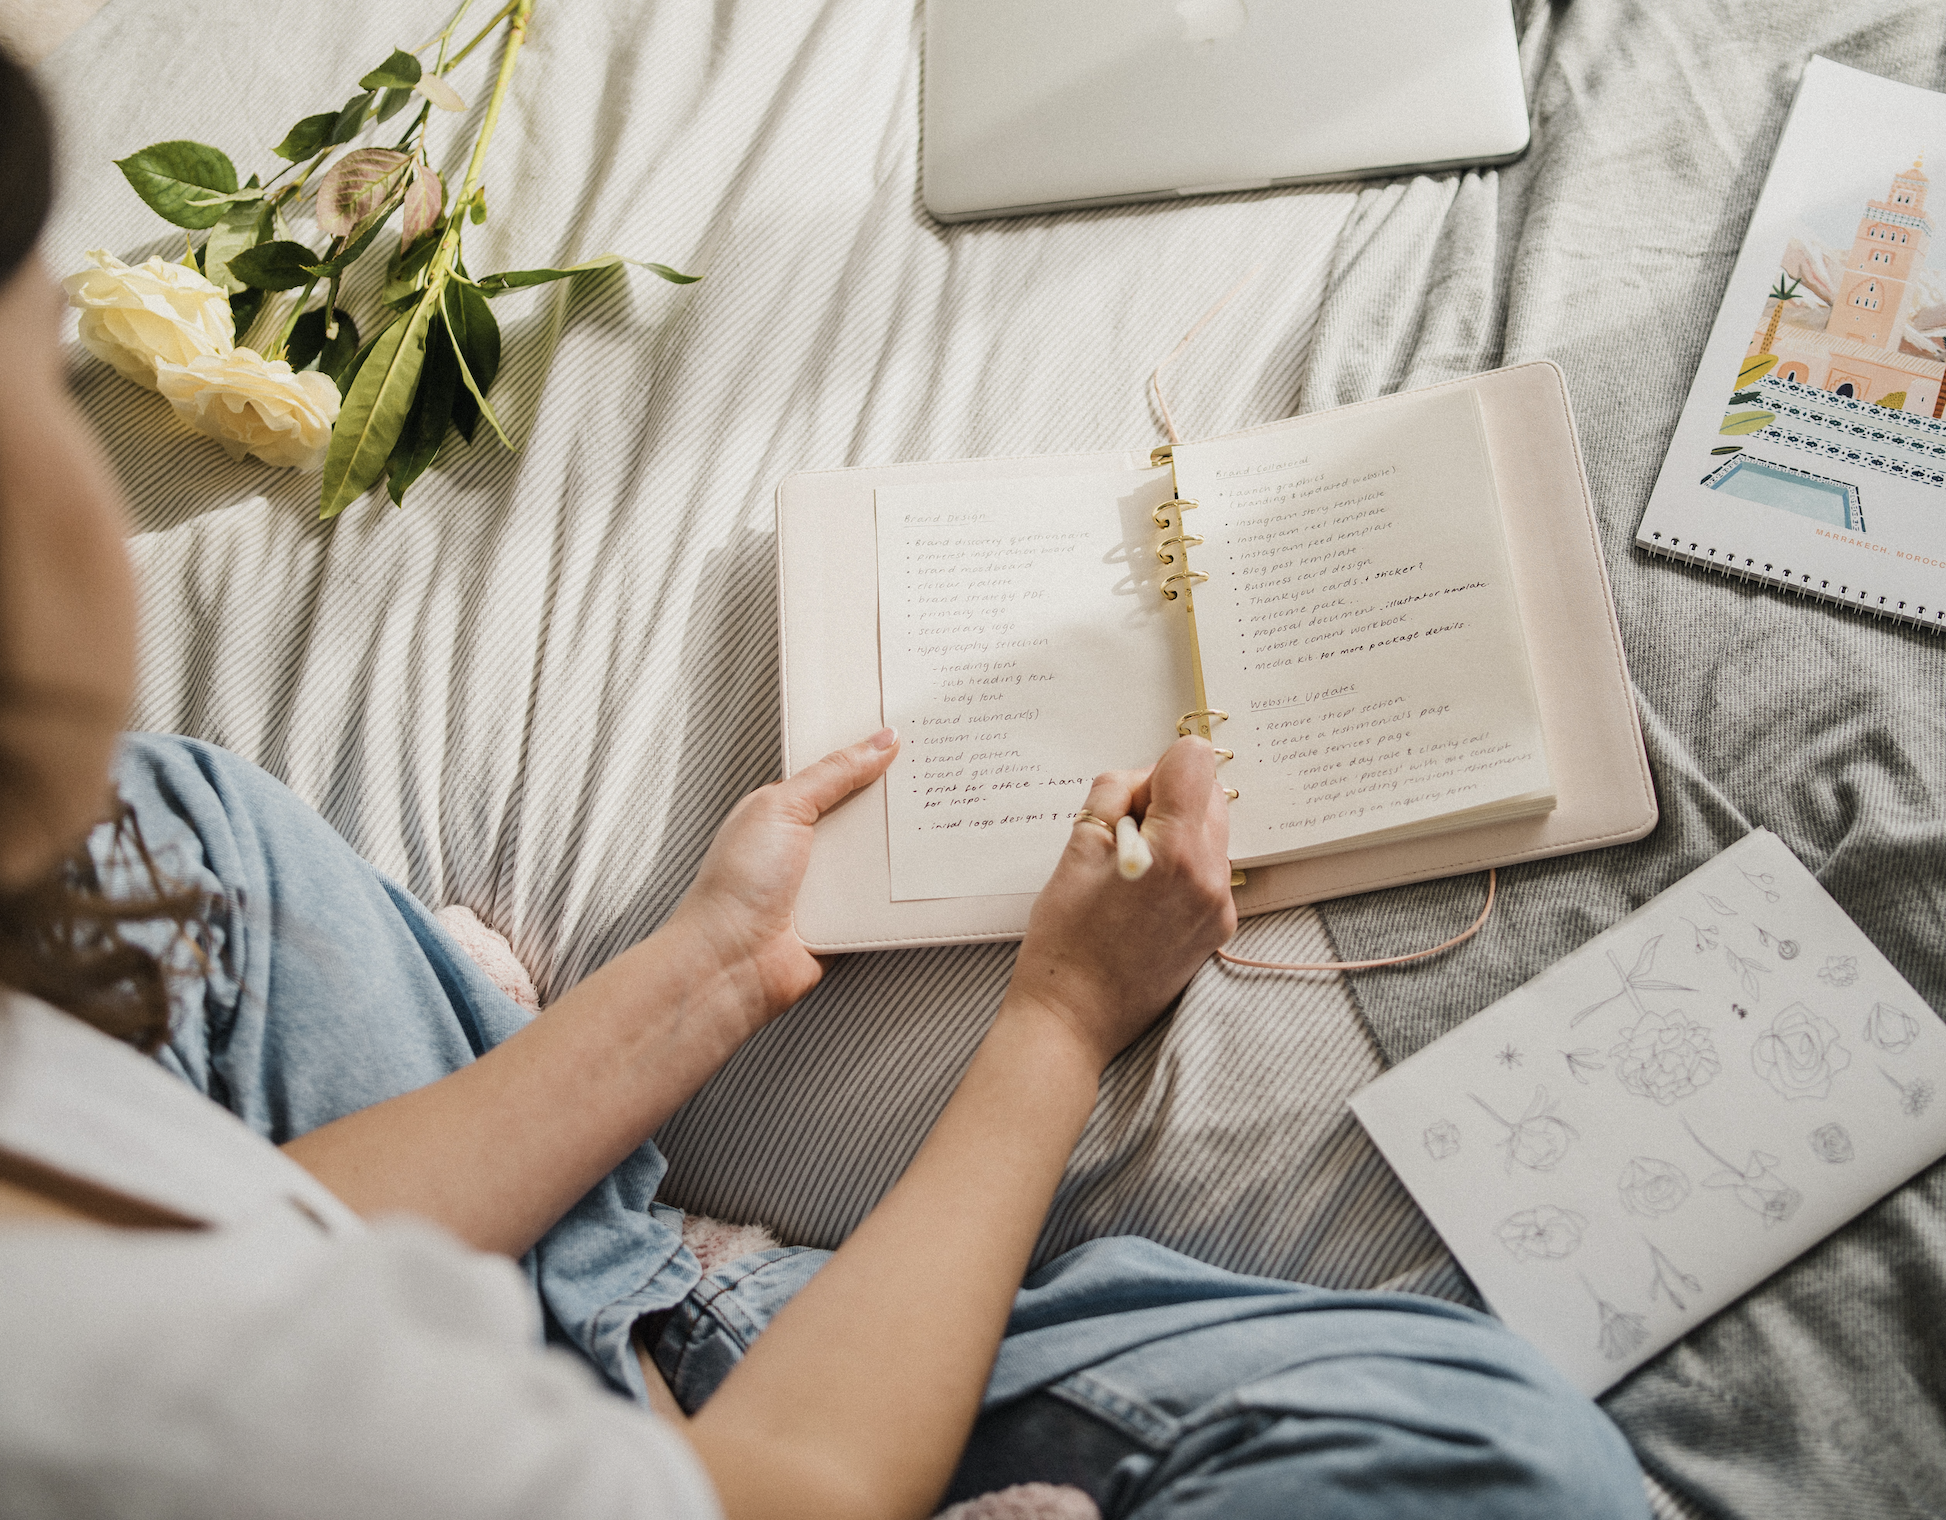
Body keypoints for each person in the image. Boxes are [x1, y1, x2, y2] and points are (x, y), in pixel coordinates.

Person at [0, 45, 1650, 1520]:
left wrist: (702, 979)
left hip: (481, 1356)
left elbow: (261, 1232)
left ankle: (618, 1274)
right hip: (732, 1462)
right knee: (1499, 1461)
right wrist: (1061, 1018)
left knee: (176, 829)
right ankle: (647, 1296)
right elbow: (781, 1493)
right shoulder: (132, 1404)